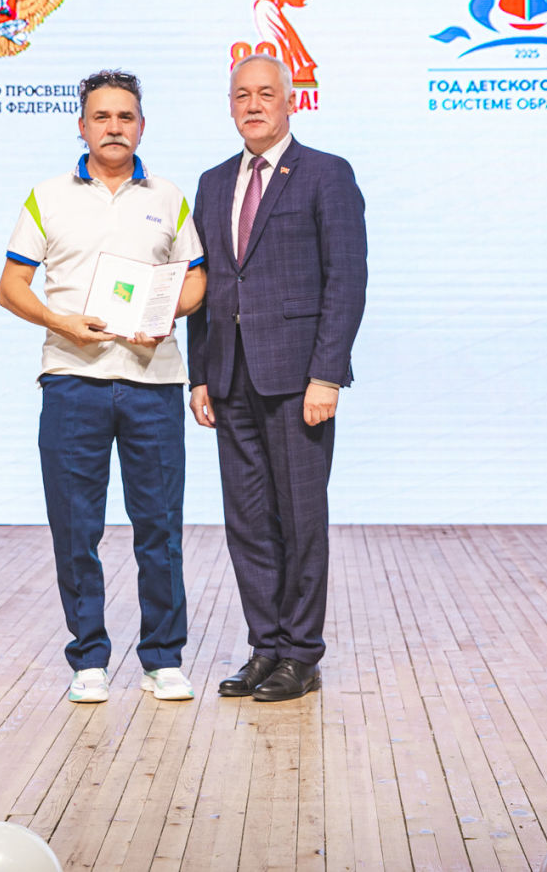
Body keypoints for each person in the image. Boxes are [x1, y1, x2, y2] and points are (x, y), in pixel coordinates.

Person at [0, 69, 207, 704]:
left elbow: (196, 280)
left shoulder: (168, 196)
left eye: (125, 116)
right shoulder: (46, 196)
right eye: (101, 116)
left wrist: (166, 314)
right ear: (82, 126)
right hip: (72, 382)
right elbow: (10, 287)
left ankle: (163, 659)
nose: (114, 127)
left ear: (141, 126)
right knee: (75, 527)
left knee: (160, 528)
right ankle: (88, 658)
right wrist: (59, 321)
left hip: (153, 382)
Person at [187, 53, 367, 702]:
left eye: (266, 93)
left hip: (298, 381)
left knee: (300, 517)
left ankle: (301, 653)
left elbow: (346, 279)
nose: (254, 104)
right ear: (230, 106)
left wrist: (328, 375)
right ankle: (265, 646)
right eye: (242, 95)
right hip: (229, 377)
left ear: (291, 101)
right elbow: (205, 285)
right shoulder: (212, 183)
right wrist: (199, 375)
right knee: (248, 520)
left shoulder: (325, 173)